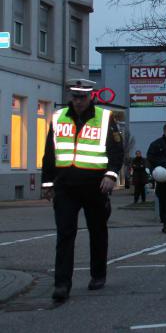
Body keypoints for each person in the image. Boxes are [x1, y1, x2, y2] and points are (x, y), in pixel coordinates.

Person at [40, 79, 124, 302]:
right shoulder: (58, 117)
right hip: (65, 186)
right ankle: (62, 284)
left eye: (82, 97)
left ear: (91, 97)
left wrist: (110, 175)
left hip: (95, 185)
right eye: (74, 97)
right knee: (65, 234)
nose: (78, 101)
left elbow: (116, 151)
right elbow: (50, 152)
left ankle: (98, 274)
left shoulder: (105, 118)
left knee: (97, 231)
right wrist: (47, 183)